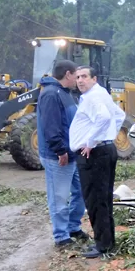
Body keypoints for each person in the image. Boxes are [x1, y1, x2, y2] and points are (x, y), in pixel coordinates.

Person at [69, 66, 125, 259]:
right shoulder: (101, 94)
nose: (80, 80)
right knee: (104, 198)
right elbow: (119, 116)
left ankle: (103, 246)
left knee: (95, 200)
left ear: (94, 78)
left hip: (94, 154)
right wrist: (108, 137)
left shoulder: (93, 97)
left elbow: (104, 117)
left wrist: (91, 141)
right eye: (77, 77)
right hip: (105, 149)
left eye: (84, 76)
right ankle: (107, 242)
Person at [36, 60, 87, 248]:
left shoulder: (65, 94)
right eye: (76, 75)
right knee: (59, 196)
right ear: (68, 74)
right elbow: (51, 126)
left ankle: (73, 227)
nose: (78, 79)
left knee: (81, 192)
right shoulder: (50, 94)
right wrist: (60, 150)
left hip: (71, 153)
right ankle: (61, 236)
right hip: (57, 156)